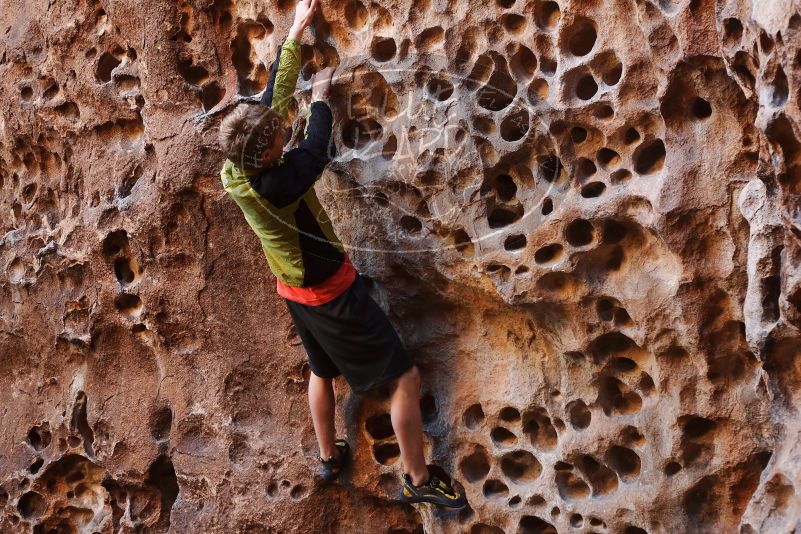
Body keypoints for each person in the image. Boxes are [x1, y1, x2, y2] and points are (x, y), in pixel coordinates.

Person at [217, 0, 467, 510]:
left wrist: (295, 33)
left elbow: (270, 101)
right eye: (275, 137)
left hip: (296, 291)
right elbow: (312, 151)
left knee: (320, 368)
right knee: (403, 379)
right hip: (331, 294)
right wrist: (322, 102)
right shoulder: (279, 183)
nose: (280, 128)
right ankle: (419, 478)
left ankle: (329, 455)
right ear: (265, 154)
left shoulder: (240, 167)